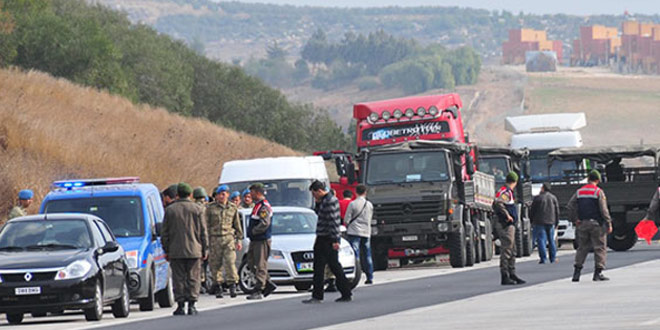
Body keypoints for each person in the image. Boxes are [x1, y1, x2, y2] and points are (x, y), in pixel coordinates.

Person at [161, 183, 208, 316]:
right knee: (194, 277)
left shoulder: (170, 210)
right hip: (195, 249)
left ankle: (180, 305)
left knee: (178, 278)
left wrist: (166, 250)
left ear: (177, 194)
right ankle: (192, 305)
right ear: (190, 194)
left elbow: (165, 233)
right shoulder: (197, 209)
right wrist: (205, 249)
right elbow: (203, 231)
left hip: (176, 251)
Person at [303, 180, 352, 304]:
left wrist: (335, 240)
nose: (314, 197)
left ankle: (322, 295)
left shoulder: (330, 201)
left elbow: (333, 222)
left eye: (314, 194)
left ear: (319, 191)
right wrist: (318, 203)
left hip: (327, 238)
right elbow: (319, 213)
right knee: (324, 266)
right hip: (324, 237)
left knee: (330, 266)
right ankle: (343, 292)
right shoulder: (326, 200)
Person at [568, 170, 612, 282]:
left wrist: (575, 219)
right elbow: (603, 209)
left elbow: (570, 205)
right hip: (596, 224)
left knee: (582, 248)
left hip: (582, 223)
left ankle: (576, 273)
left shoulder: (579, 191)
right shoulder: (598, 192)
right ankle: (598, 273)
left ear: (588, 179)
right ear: (597, 180)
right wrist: (608, 222)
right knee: (600, 247)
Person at [206, 185, 243, 299]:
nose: (222, 196)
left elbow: (237, 225)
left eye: (224, 194)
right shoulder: (210, 208)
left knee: (230, 262)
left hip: (228, 238)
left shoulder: (232, 208)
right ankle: (218, 286)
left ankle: (232, 285)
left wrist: (239, 239)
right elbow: (206, 225)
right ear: (216, 196)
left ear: (227, 194)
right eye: (219, 194)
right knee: (215, 264)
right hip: (215, 238)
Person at [493, 172, 526, 285]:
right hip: (505, 224)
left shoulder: (507, 192)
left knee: (512, 249)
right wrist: (507, 215)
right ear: (515, 182)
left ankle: (512, 273)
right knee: (507, 249)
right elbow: (498, 203)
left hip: (509, 225)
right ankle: (505, 275)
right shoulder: (505, 192)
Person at [245, 183, 277, 300]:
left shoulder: (264, 207)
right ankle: (267, 283)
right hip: (255, 240)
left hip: (261, 240)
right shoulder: (257, 206)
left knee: (260, 264)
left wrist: (254, 231)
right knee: (251, 262)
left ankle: (259, 289)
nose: (250, 195)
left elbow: (265, 223)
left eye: (252, 192)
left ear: (258, 193)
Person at [344, 184, 374, 285]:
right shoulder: (369, 205)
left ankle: (356, 274)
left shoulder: (352, 204)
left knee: (355, 254)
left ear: (355, 192)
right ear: (365, 192)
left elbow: (347, 219)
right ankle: (370, 276)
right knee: (367, 254)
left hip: (354, 231)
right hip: (366, 231)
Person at [530, 182, 560, 264]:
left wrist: (531, 220)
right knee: (551, 240)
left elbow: (532, 211)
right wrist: (556, 222)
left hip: (539, 222)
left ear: (543, 188)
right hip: (551, 221)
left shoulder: (538, 198)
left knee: (541, 240)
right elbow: (557, 211)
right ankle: (552, 258)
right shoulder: (553, 198)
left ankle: (543, 258)